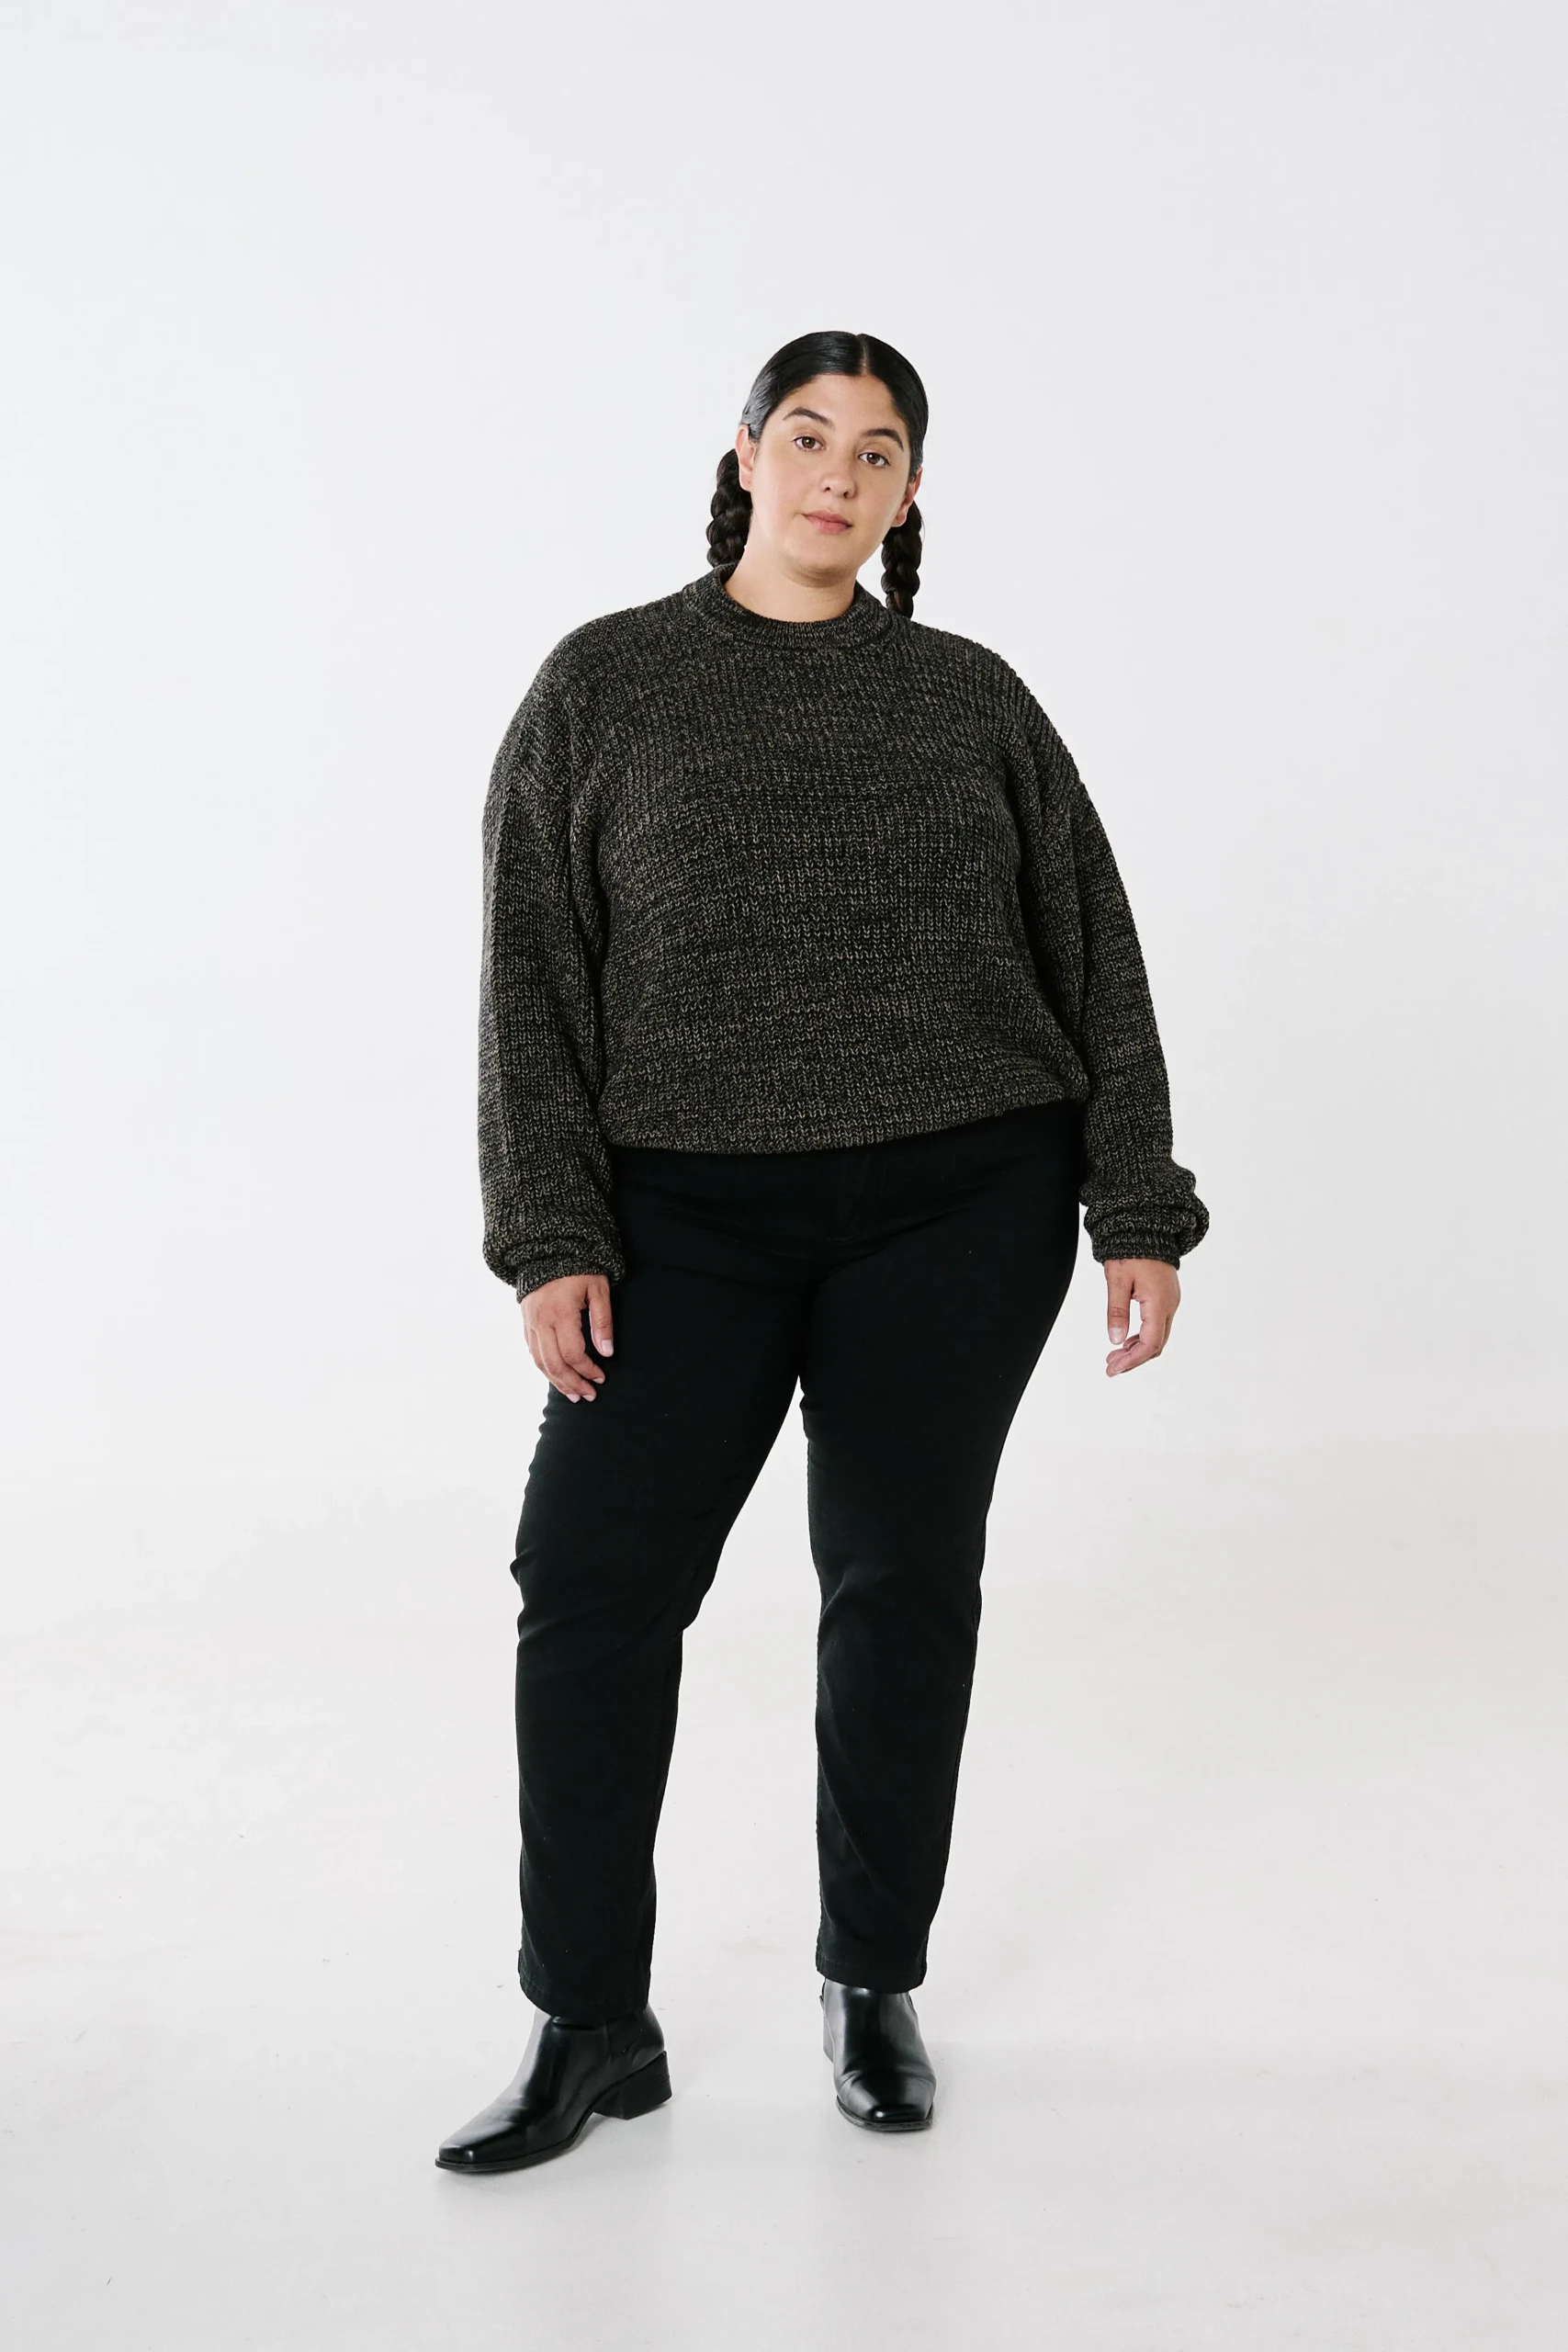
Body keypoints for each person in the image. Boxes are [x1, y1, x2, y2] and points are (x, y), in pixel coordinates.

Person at [435, 330, 1210, 2176]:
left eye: (876, 450)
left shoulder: (967, 698)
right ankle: (588, 2017)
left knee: (897, 1579)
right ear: (743, 456)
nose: (836, 475)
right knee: (590, 1579)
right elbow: (531, 979)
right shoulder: (604, 684)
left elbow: (1091, 944)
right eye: (806, 436)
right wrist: (551, 1232)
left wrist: (1134, 1204)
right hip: (679, 1216)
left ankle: (872, 1979)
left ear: (909, 490)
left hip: (959, 1203)